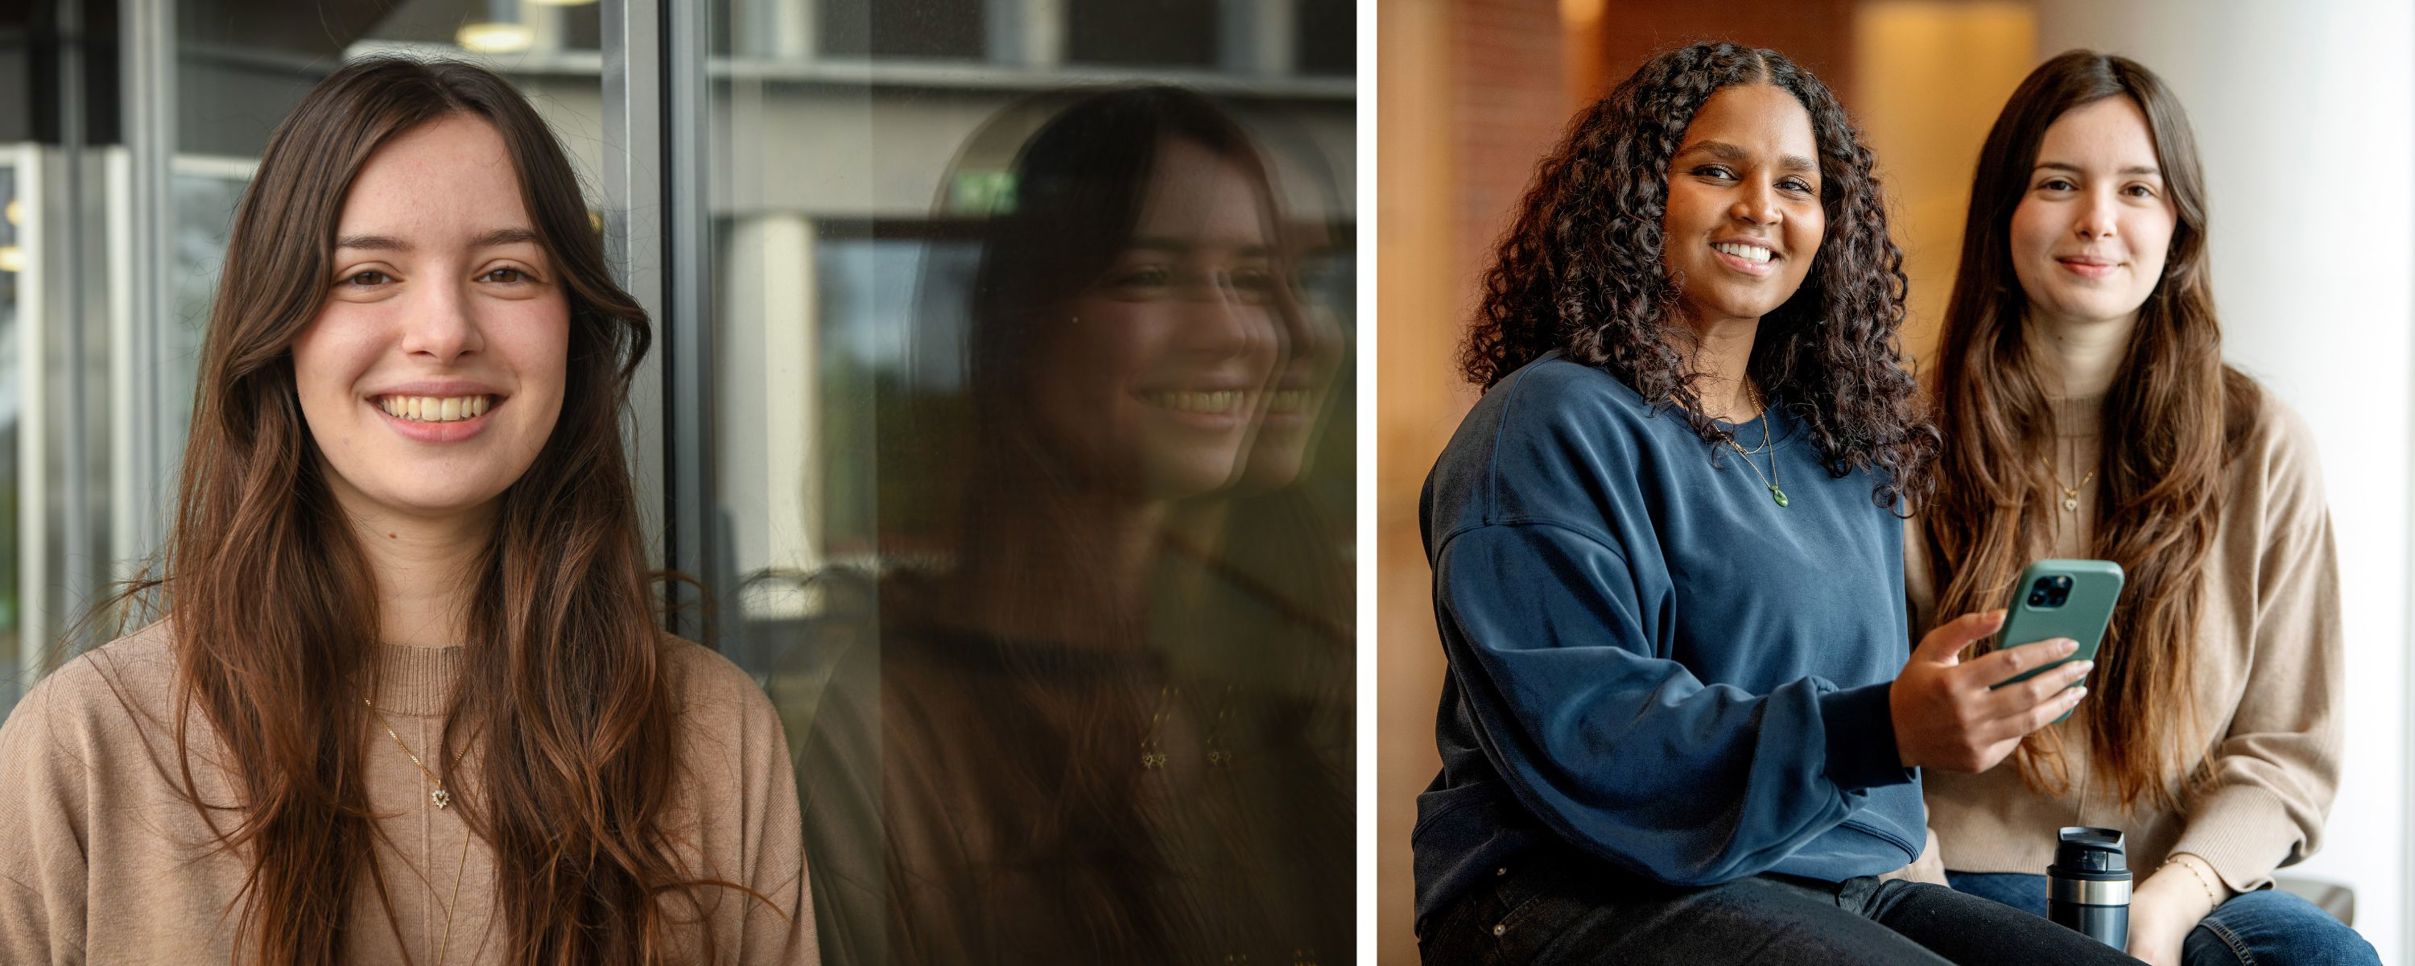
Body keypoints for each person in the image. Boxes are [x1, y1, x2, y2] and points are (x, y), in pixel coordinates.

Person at [0, 58, 813, 964]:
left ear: (571, 332)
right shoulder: (92, 747)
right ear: (277, 331)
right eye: (367, 276)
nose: (443, 330)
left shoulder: (711, 733)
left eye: (506, 271)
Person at [1415, 41, 2142, 965]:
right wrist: (1880, 730)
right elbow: (1593, 736)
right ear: (1636, 198)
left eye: (1797, 186)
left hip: (1835, 879)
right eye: (1716, 171)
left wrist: (1912, 783)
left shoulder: (1834, 441)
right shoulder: (1547, 423)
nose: (1761, 209)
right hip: (1576, 890)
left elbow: (1862, 731)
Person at [798, 86, 1353, 965]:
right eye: (1149, 276)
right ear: (1022, 324)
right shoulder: (897, 721)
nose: (1240, 331)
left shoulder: (1295, 651)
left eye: (1250, 277)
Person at [1912, 50, 2377, 966]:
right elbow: (1853, 712)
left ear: (2177, 226)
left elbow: (2286, 749)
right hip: (1954, 879)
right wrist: (1922, 895)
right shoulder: (1904, 440)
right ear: (2002, 210)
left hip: (2172, 883)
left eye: (2136, 189)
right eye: (2057, 184)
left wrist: (2170, 902)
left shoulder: (2259, 443)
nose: (2096, 221)